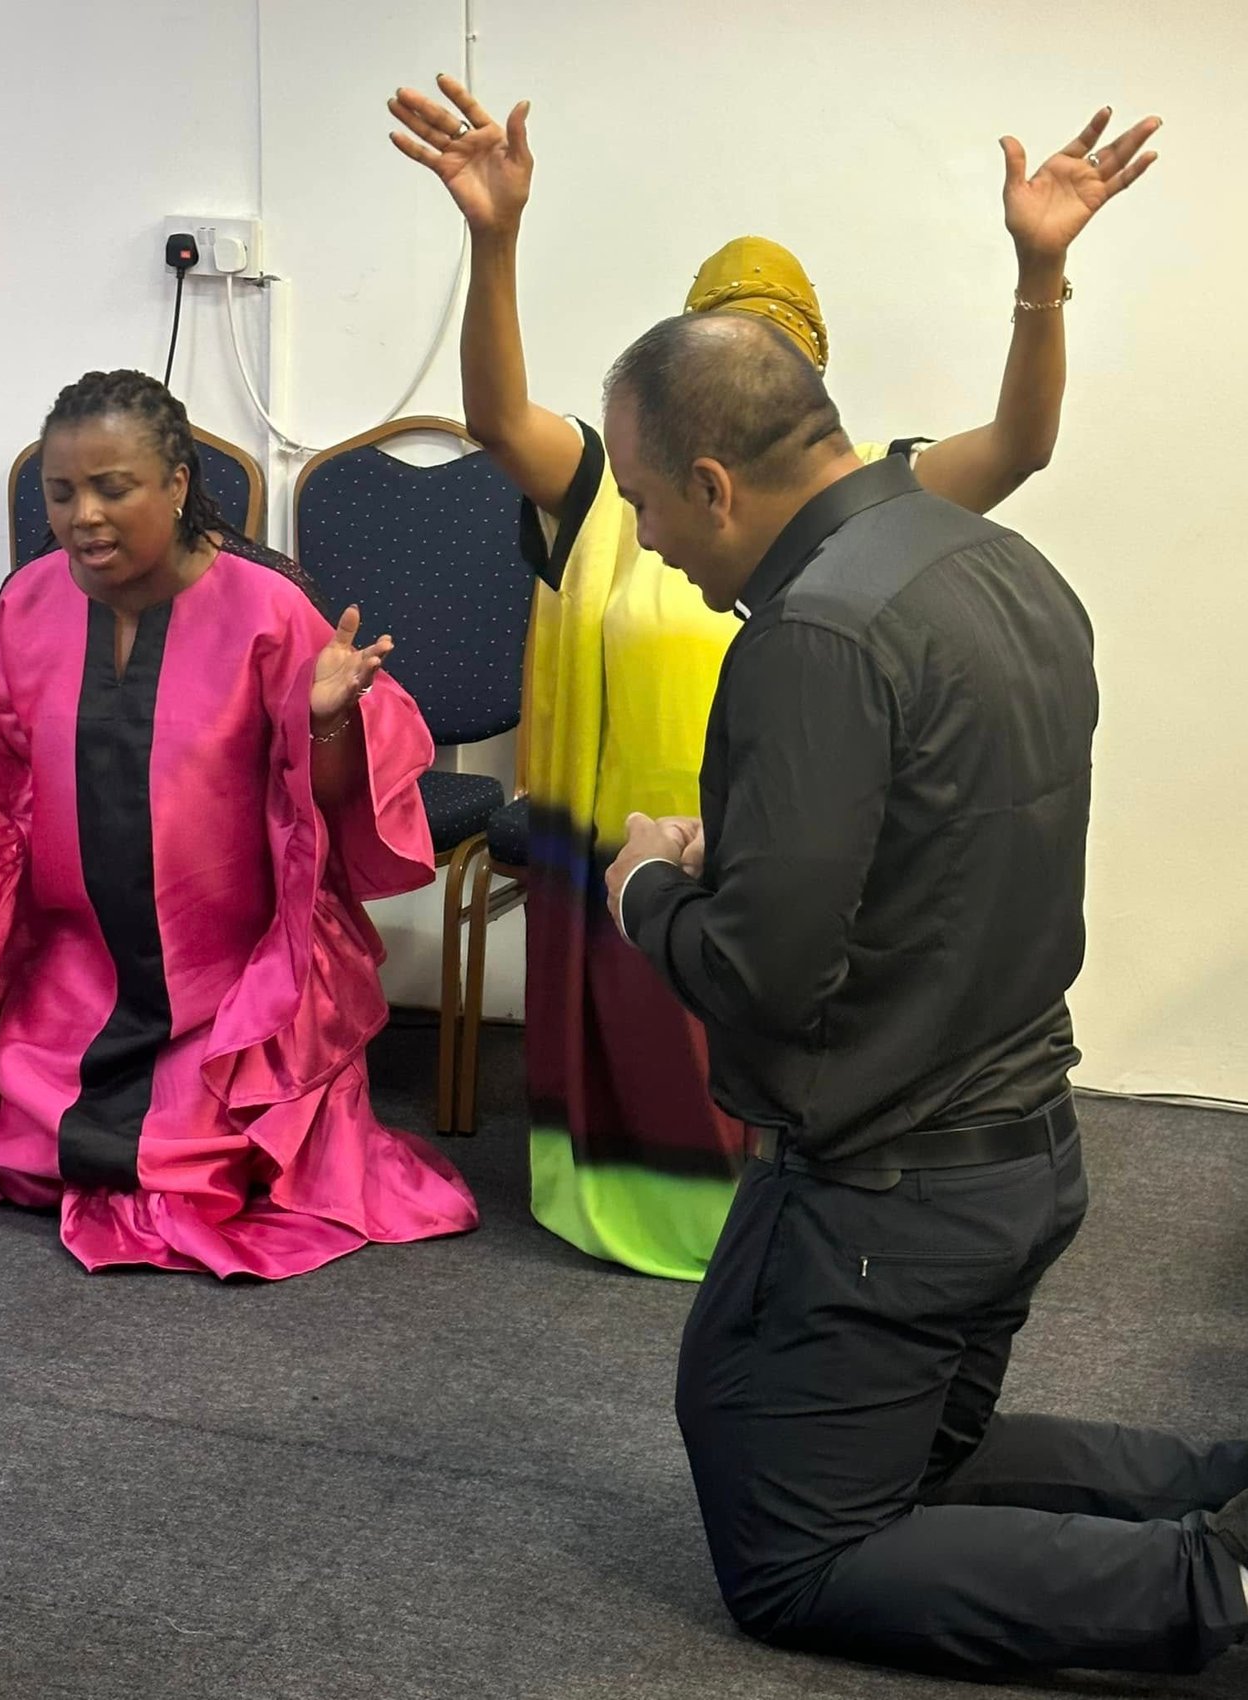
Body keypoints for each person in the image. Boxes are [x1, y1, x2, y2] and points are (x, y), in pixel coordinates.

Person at [389, 76, 1161, 1279]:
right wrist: (494, 238)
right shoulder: (619, 491)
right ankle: (637, 1202)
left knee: (768, 1036)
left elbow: (1021, 444)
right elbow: (496, 419)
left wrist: (1040, 277)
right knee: (648, 1047)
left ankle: (768, 1223)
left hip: (790, 855)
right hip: (629, 845)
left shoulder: (871, 505)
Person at [598, 308, 1248, 1678]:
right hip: (1017, 1151)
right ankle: (1216, 1485)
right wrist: (758, 857)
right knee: (881, 1458)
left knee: (795, 1560)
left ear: (714, 484)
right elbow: (939, 838)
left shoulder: (811, 636)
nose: (645, 537)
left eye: (645, 500)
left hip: (888, 1193)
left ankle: (1217, 1579)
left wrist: (647, 888)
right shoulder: (1001, 563)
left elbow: (761, 978)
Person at [0, 370, 478, 1279]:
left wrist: (324, 720)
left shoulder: (267, 607)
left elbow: (321, 802)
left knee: (193, 1166)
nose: (83, 515)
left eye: (112, 488)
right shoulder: (28, 600)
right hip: (71, 971)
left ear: (176, 483)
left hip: (222, 989)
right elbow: (2, 749)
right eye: (61, 492)